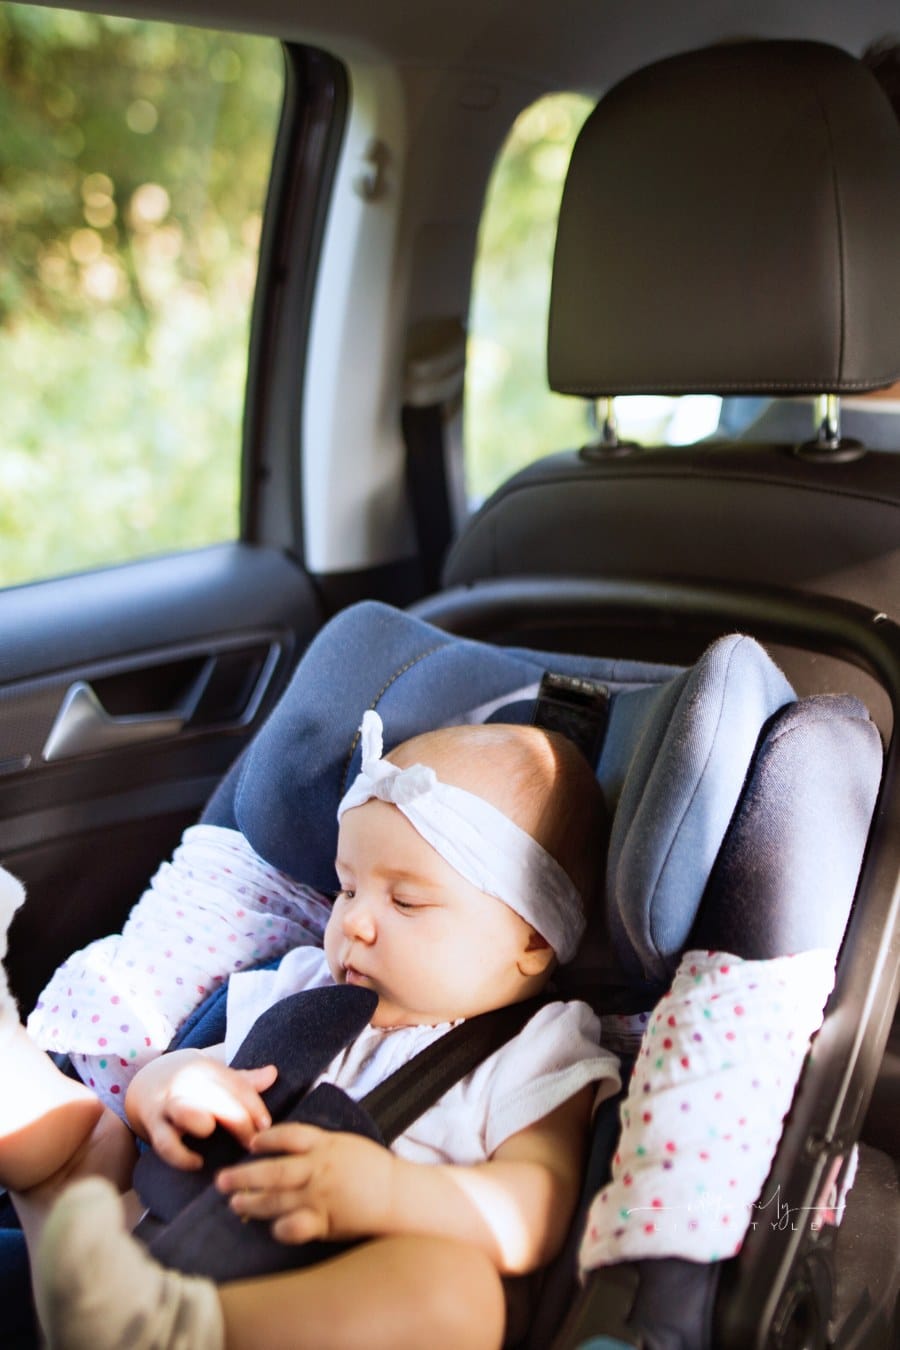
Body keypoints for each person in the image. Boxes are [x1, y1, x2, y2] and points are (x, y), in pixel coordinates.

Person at [0, 711, 620, 1350]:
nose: (353, 923)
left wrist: (388, 1192)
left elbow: (535, 1208)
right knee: (81, 1139)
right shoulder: (304, 983)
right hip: (138, 1244)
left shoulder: (539, 1045)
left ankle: (181, 1328)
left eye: (405, 901)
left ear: (533, 940)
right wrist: (172, 1084)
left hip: (306, 1308)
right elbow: (178, 1078)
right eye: (348, 890)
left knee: (460, 1293)